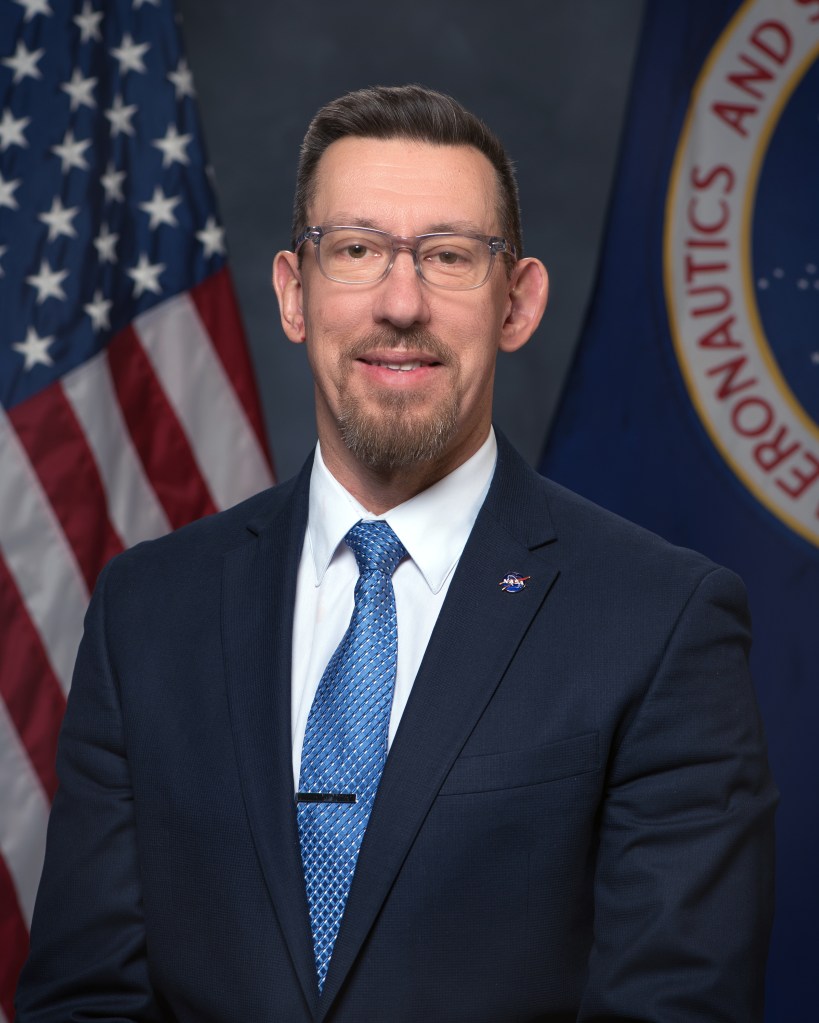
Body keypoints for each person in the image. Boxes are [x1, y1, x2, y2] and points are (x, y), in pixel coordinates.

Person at [17, 84, 776, 1023]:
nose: (401, 302)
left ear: (517, 302)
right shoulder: (147, 611)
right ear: (296, 293)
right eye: (357, 250)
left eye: (451, 256)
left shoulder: (660, 621)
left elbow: (674, 1007)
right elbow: (83, 1000)